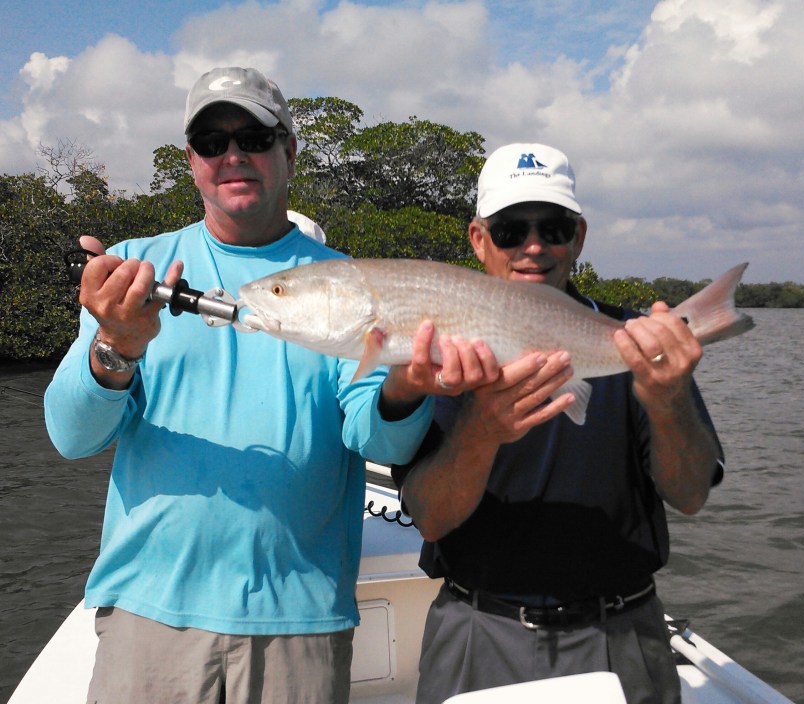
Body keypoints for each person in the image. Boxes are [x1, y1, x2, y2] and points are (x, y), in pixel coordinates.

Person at [43, 67, 496, 704]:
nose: (233, 154)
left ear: (288, 152)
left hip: (300, 621)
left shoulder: (350, 281)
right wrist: (115, 345)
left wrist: (407, 384)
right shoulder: (134, 267)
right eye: (211, 140)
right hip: (149, 613)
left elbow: (380, 441)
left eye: (254, 136)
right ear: (192, 162)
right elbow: (71, 435)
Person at [392, 143, 725, 704]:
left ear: (579, 237)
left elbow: (691, 495)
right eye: (509, 230)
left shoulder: (638, 344)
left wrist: (665, 400)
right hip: (479, 632)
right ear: (478, 239)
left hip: (622, 635)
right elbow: (429, 518)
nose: (533, 246)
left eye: (554, 227)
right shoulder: (436, 358)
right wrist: (480, 431)